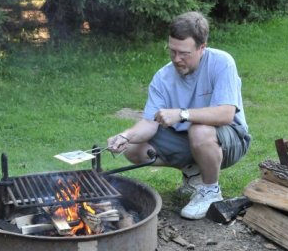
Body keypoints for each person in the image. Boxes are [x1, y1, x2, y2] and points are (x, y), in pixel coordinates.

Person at [107, 11, 251, 220]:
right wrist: (125, 136)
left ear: (202, 48)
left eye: (184, 53)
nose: (177, 59)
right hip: (188, 139)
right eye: (172, 51)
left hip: (231, 140)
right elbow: (149, 123)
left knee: (199, 130)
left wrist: (182, 114)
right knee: (134, 147)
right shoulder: (163, 77)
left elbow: (226, 114)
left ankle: (210, 190)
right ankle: (194, 175)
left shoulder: (222, 63)